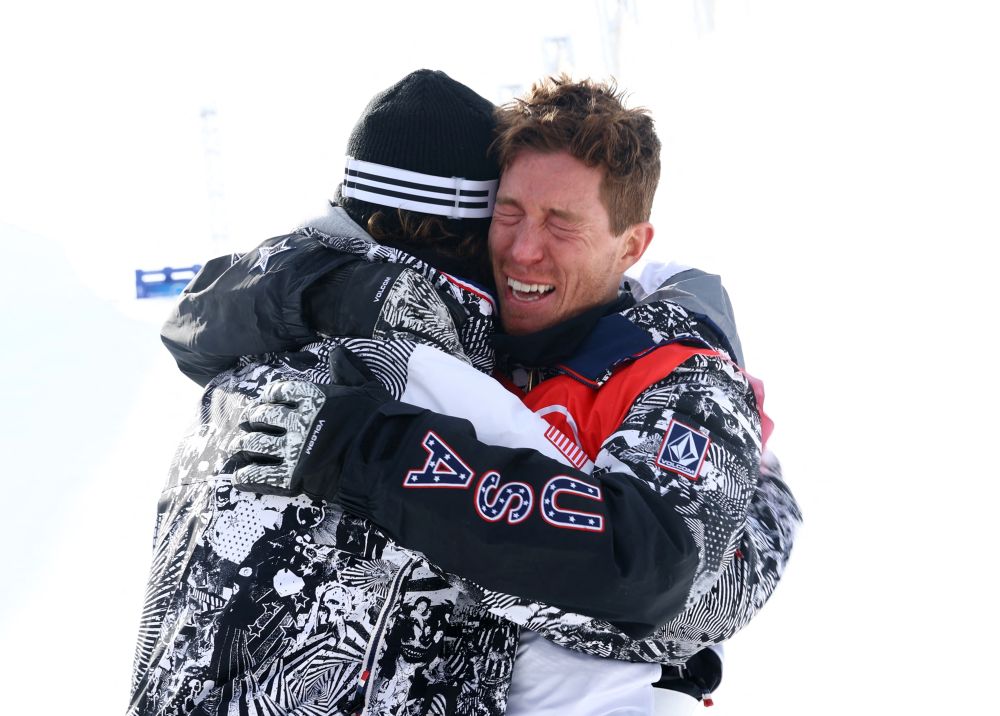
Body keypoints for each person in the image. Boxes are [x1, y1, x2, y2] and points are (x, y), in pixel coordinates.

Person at [134, 71, 799, 716]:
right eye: (506, 215)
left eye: (560, 222)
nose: (523, 250)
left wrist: (372, 450)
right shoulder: (443, 364)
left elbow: (653, 573)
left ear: (632, 246)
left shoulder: (673, 375)